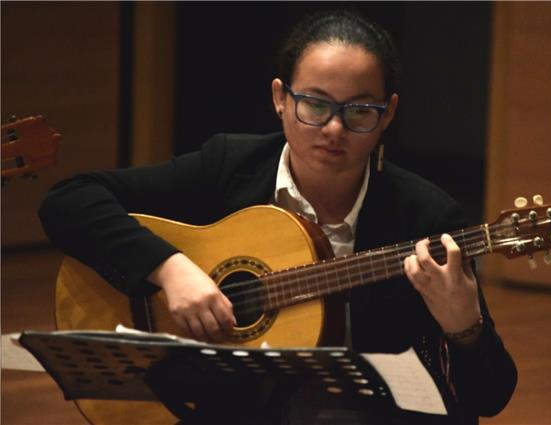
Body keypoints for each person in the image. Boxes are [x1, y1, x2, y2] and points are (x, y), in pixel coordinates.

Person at [39, 9, 516, 425]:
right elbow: (68, 199)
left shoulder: (427, 218)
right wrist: (170, 269)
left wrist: (464, 326)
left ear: (388, 113)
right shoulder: (230, 166)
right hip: (219, 409)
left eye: (359, 112)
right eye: (315, 104)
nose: (333, 128)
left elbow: (490, 398)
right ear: (280, 98)